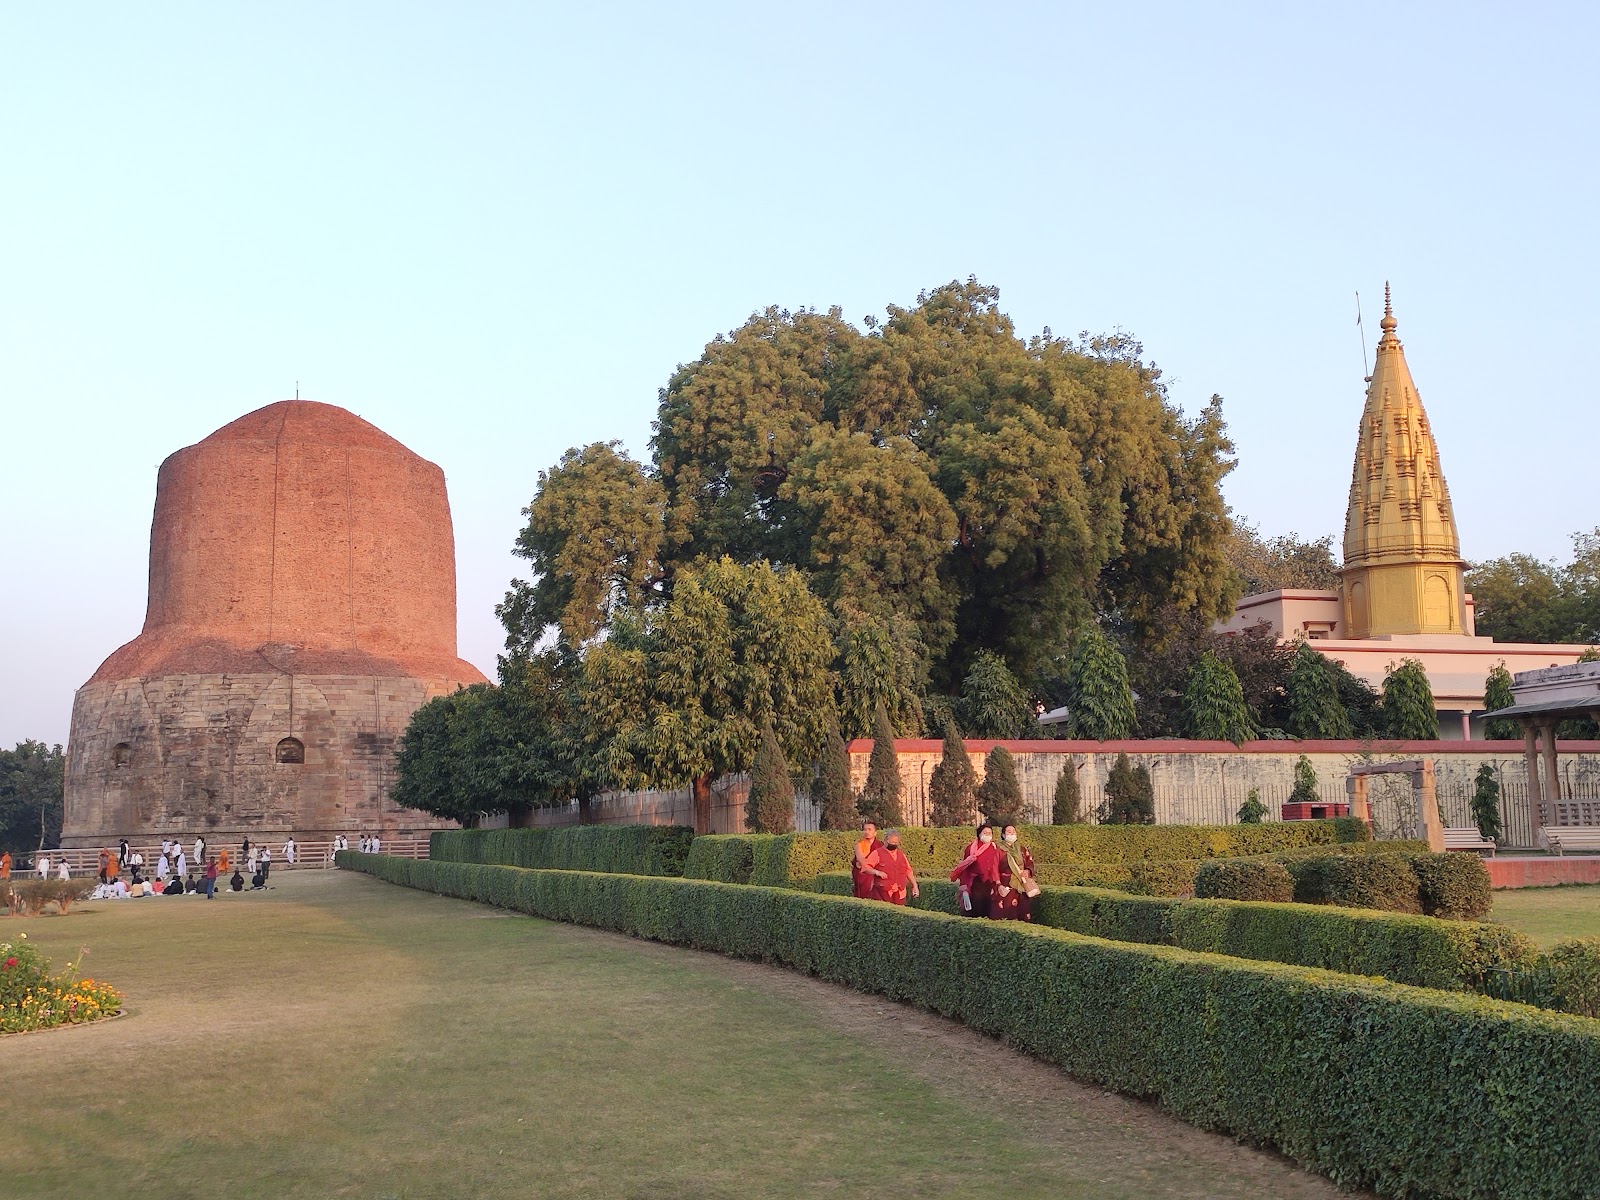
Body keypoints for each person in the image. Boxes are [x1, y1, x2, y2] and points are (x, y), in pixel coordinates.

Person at [949, 823, 1001, 918]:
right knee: (976, 907)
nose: (988, 835)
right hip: (975, 882)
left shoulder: (994, 847)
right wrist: (964, 883)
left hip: (989, 882)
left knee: (989, 908)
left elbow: (996, 866)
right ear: (979, 834)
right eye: (985, 833)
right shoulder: (971, 848)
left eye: (990, 833)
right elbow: (965, 867)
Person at [990, 825, 1037, 922]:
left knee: (1023, 912)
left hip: (1021, 884)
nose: (1011, 834)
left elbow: (1030, 863)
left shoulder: (1022, 849)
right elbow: (994, 868)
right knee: (1006, 914)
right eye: (1009, 832)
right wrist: (998, 884)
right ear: (1003, 834)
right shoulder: (998, 850)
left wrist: (1028, 871)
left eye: (1013, 832)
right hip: (1006, 885)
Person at [874, 831, 919, 905]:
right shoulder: (877, 853)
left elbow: (908, 871)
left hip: (900, 892)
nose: (893, 844)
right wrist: (877, 872)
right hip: (883, 892)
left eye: (896, 843)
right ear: (885, 841)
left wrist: (915, 885)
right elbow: (866, 867)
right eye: (891, 842)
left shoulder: (902, 855)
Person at [851, 822, 884, 899]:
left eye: (869, 829)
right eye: (865, 829)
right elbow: (861, 860)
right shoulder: (859, 845)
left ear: (875, 833)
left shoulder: (880, 845)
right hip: (863, 875)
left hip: (876, 876)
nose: (867, 832)